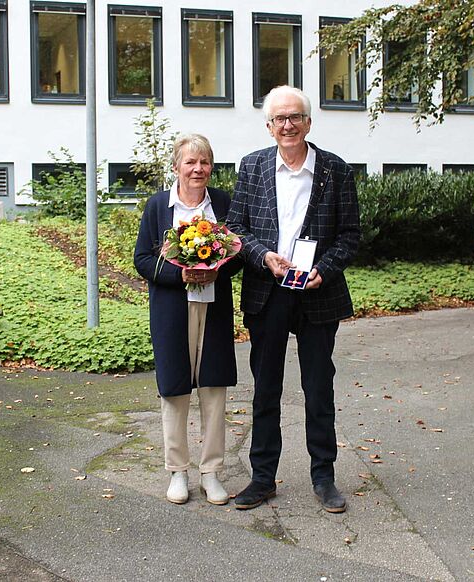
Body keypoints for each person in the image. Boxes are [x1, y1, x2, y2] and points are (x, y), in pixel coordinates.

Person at [226, 85, 360, 513]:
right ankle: (262, 477)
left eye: (295, 117)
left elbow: (351, 234)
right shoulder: (252, 168)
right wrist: (263, 255)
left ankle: (324, 477)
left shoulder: (336, 170)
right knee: (266, 389)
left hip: (318, 293)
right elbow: (235, 228)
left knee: (318, 388)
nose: (288, 125)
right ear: (269, 126)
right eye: (279, 119)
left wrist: (326, 268)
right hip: (268, 291)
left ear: (308, 122)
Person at [134, 134, 239, 506]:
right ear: (176, 167)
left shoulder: (224, 203)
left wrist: (217, 269)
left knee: (213, 389)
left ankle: (211, 472)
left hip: (214, 306)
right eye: (190, 162)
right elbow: (143, 260)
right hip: (171, 309)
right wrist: (179, 274)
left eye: (205, 162)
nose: (198, 169)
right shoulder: (159, 206)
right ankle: (177, 470)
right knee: (175, 389)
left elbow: (238, 252)